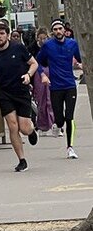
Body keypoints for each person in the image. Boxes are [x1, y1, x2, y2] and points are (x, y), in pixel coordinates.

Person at [0, 20, 38, 172]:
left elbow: (34, 64)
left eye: (2, 34)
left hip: (21, 91)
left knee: (24, 128)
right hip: (4, 94)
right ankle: (22, 160)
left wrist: (28, 75)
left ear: (8, 36)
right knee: (12, 126)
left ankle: (31, 131)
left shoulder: (18, 48)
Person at [37, 19, 83, 159]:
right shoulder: (47, 46)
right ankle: (57, 124)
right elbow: (38, 62)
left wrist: (81, 65)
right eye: (55, 29)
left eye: (60, 28)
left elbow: (79, 59)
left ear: (64, 30)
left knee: (69, 117)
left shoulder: (72, 44)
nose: (58, 31)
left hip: (70, 85)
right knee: (60, 119)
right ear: (52, 32)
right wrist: (43, 74)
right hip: (55, 87)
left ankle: (70, 147)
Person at [31, 27, 56, 136]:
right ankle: (42, 125)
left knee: (51, 100)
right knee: (41, 101)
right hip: (38, 75)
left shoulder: (52, 47)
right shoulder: (33, 48)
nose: (42, 41)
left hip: (51, 73)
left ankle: (54, 123)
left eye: (44, 38)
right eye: (40, 38)